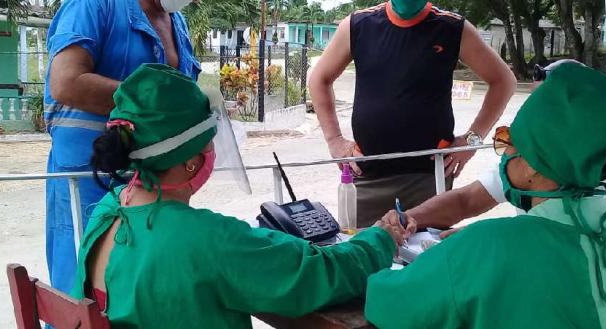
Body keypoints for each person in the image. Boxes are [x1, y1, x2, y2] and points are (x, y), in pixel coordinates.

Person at [72, 63, 404, 329]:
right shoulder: (206, 240)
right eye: (210, 141)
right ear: (191, 162)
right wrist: (382, 239)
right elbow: (321, 275)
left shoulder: (109, 208)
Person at [366, 63, 606, 329]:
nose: (504, 151)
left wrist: (377, 243)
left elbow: (387, 304)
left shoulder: (488, 246)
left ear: (535, 166)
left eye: (510, 140)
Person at [43, 0, 231, 294]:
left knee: (142, 297)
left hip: (151, 188)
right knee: (83, 296)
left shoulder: (175, 24)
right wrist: (154, 103)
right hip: (86, 181)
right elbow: (66, 83)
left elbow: (183, 100)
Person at [309, 0, 516, 226]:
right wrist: (334, 141)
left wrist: (472, 140)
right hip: (366, 176)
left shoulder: (452, 29)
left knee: (427, 263)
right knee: (363, 260)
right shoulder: (358, 25)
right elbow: (319, 79)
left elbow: (503, 81)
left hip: (429, 177)